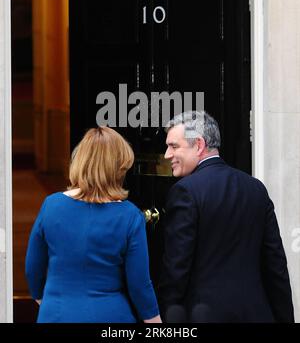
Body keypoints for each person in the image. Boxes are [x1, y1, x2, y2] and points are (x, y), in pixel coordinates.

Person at [159, 110, 294, 323]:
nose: (167, 155)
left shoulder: (185, 191)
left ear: (199, 145)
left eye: (174, 146)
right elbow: (275, 265)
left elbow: (176, 269)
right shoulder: (256, 188)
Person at [25, 127, 161, 323]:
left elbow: (33, 268)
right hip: (111, 315)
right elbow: (139, 284)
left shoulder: (51, 205)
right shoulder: (129, 215)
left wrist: (44, 300)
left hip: (56, 313)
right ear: (118, 168)